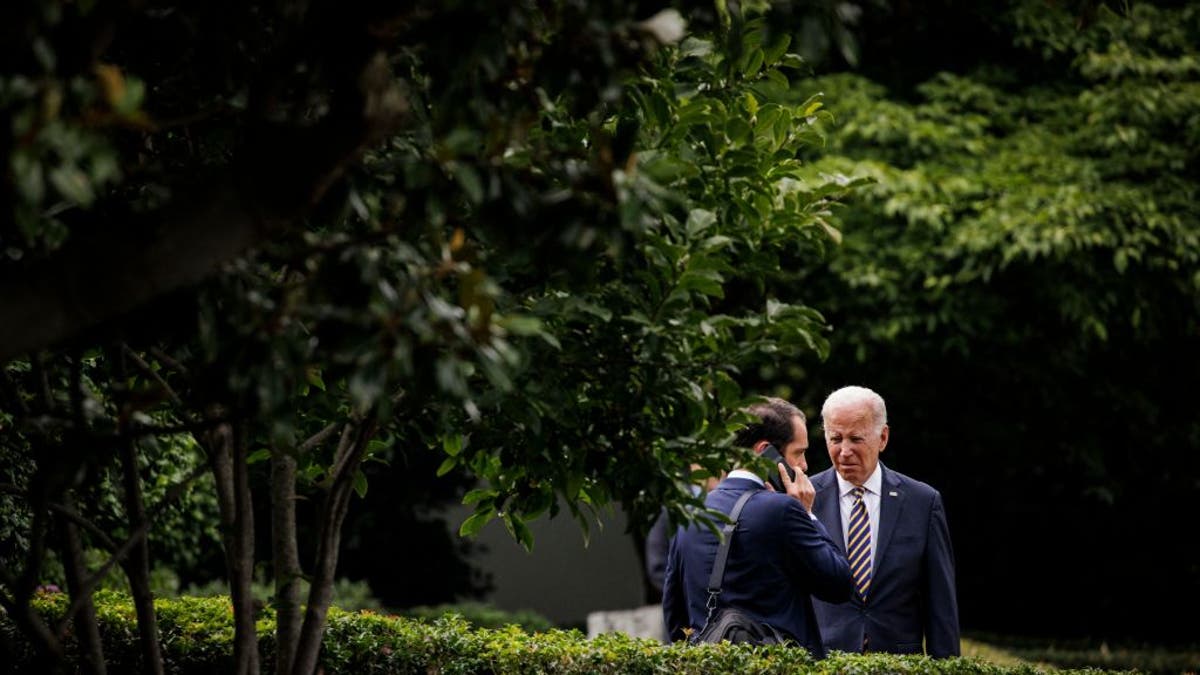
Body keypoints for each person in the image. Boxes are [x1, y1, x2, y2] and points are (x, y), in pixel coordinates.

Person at [662, 397, 853, 656]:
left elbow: (675, 618)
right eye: (799, 452)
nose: (805, 465)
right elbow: (840, 584)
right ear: (765, 452)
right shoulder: (784, 510)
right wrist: (808, 513)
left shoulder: (690, 515)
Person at [809, 385, 960, 657]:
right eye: (835, 438)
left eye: (855, 439)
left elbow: (941, 606)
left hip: (897, 664)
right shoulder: (803, 500)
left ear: (883, 437)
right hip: (822, 661)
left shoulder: (922, 502)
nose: (844, 451)